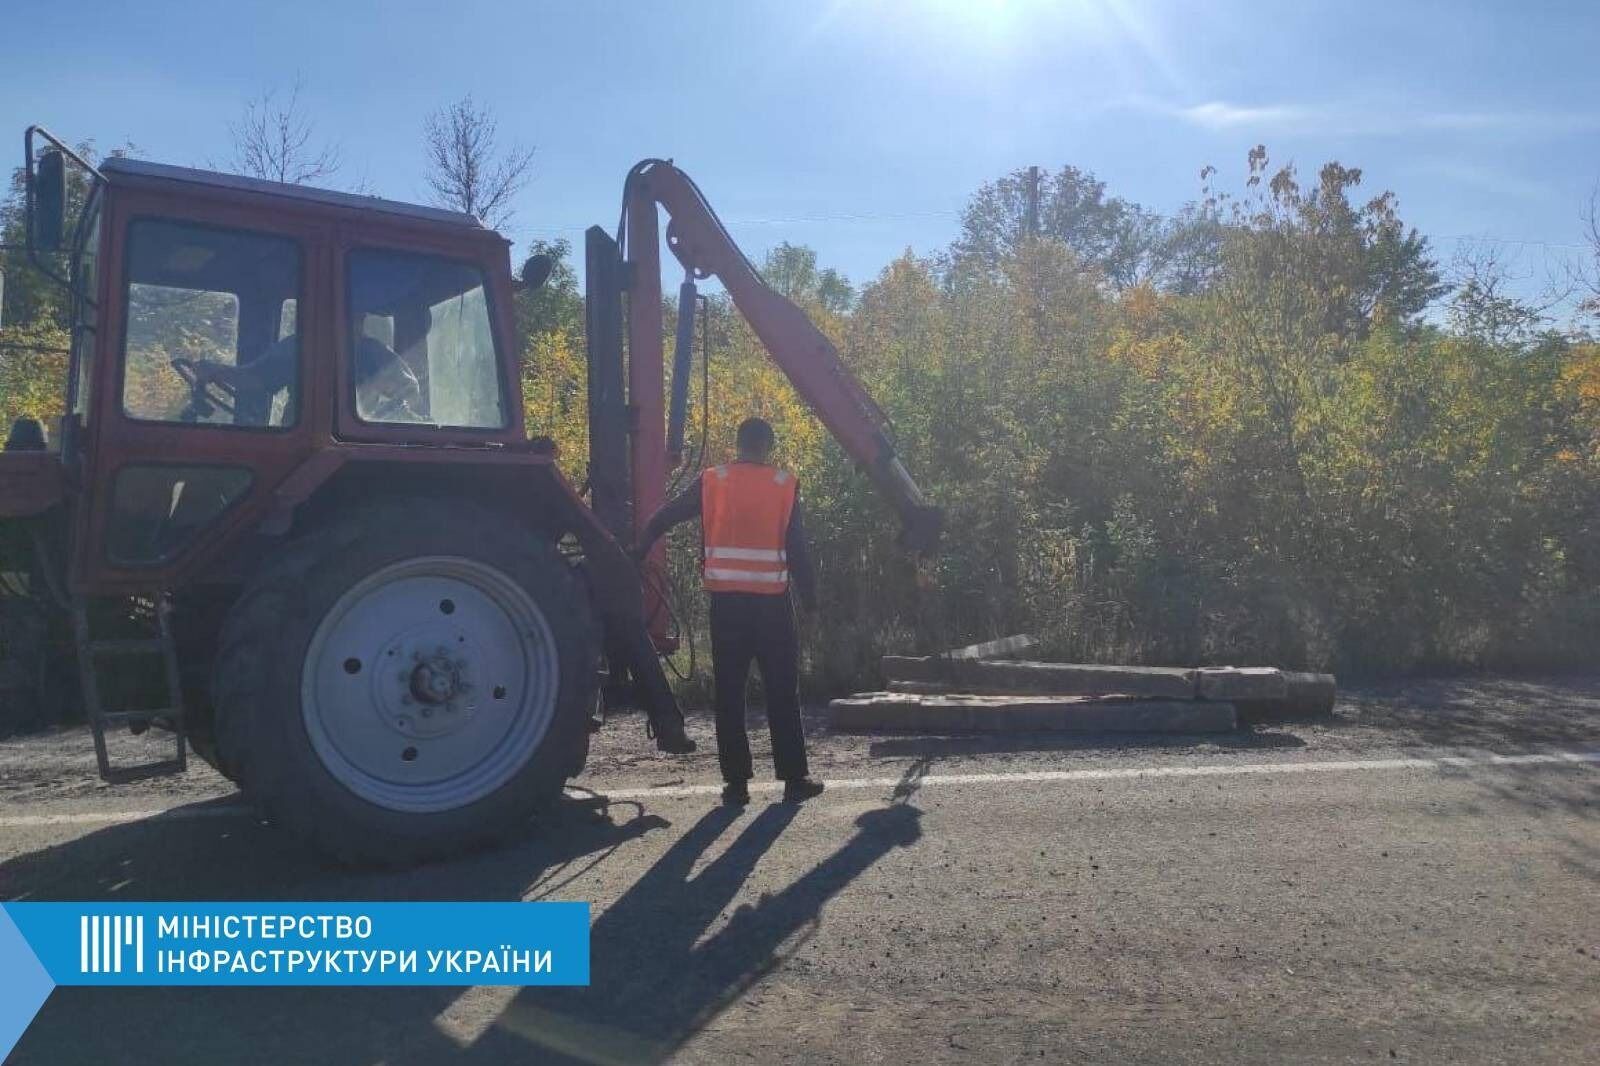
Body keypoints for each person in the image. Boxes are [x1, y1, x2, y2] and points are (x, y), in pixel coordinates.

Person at [637, 417, 826, 805]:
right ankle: (793, 779)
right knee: (781, 692)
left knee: (729, 693)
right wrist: (811, 601)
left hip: (726, 607)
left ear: (739, 445)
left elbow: (664, 517)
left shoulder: (713, 481)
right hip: (772, 605)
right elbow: (798, 550)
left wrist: (636, 551)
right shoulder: (783, 485)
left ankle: (736, 785)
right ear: (767, 446)